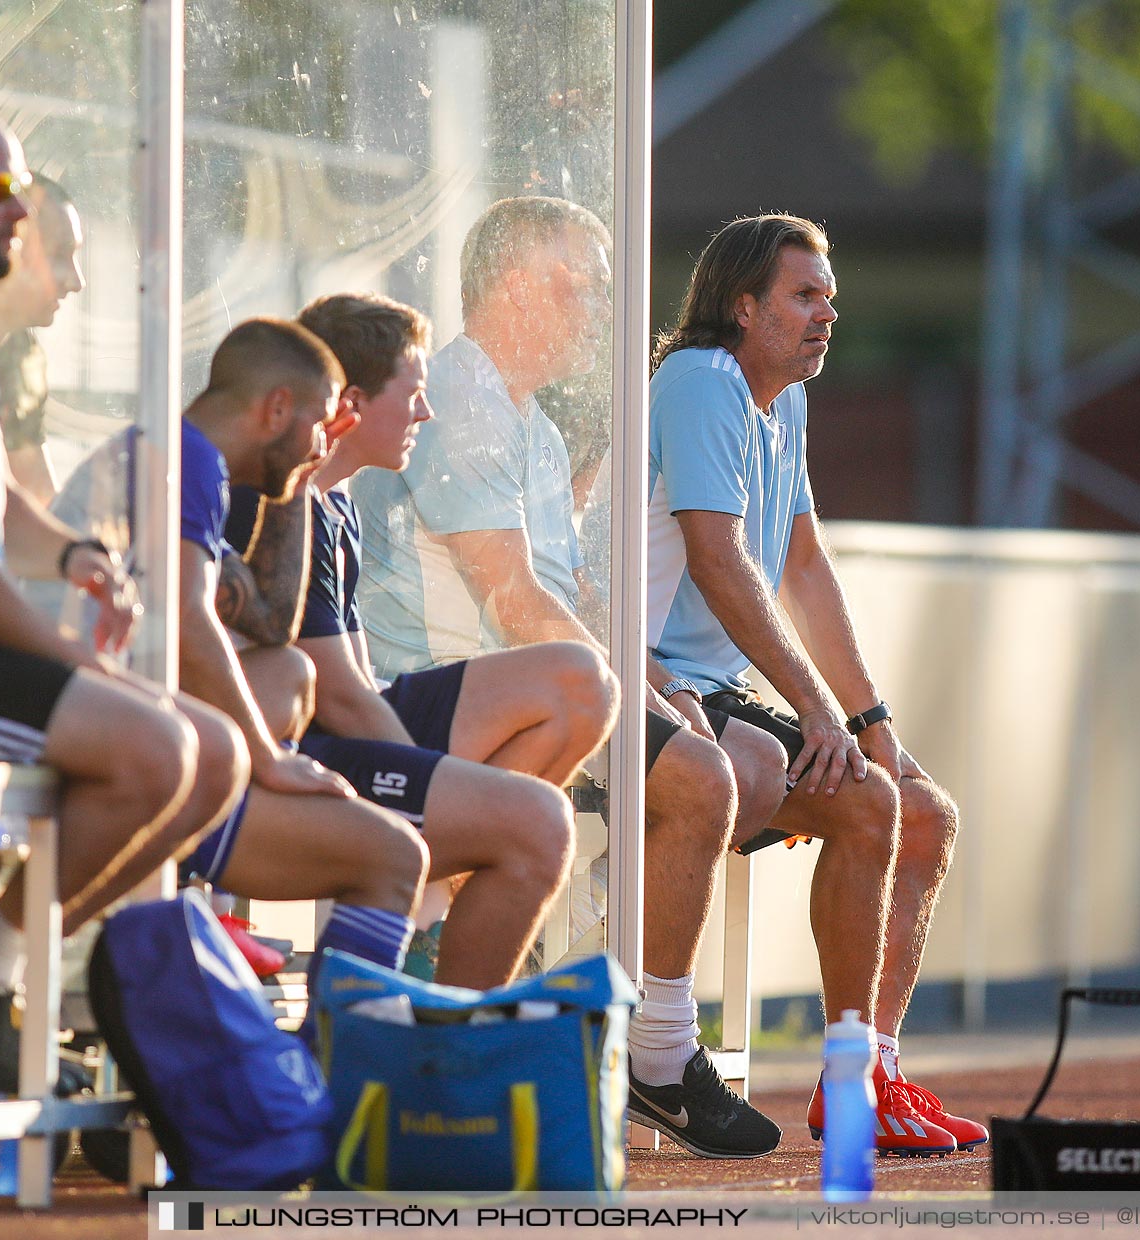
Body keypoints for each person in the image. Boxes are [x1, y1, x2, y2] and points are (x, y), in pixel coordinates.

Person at [353, 197, 785, 1159]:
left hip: (529, 690)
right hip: (441, 695)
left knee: (747, 765)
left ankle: (597, 978)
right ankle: (653, 1053)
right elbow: (512, 599)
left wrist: (663, 685)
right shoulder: (461, 397)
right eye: (580, 286)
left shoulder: (535, 427)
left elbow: (579, 603)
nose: (599, 311)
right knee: (702, 779)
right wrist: (633, 695)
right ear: (512, 288)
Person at [0, 110, 250, 1094]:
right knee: (162, 747)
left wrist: (73, 553)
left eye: (20, 188)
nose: (18, 210)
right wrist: (85, 665)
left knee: (215, 758)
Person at [646, 213, 977, 1156]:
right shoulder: (700, 379)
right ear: (741, 305)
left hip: (713, 690)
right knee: (836, 795)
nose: (827, 311)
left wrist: (869, 719)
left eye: (829, 294)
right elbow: (717, 560)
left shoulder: (782, 396)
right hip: (653, 683)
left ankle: (863, 1074)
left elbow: (802, 566)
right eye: (804, 294)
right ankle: (662, 1045)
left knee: (920, 812)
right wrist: (818, 711)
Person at [245, 290, 617, 990]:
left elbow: (351, 678)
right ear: (350, 402)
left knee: (581, 683)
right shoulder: (287, 496)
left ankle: (437, 911)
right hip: (299, 754)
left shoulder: (336, 498)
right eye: (412, 394)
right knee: (541, 823)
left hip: (352, 719)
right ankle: (442, 1021)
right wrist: (436, 786)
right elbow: (343, 699)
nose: (426, 411)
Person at [167, 318, 437, 1012]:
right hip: (135, 739)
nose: (327, 438)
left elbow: (270, 624)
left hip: (158, 723)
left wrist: (303, 479)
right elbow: (190, 622)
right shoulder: (188, 458)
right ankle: (343, 1071)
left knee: (288, 673)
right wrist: (267, 756)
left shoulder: (212, 468)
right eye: (321, 420)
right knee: (402, 853)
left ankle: (199, 901)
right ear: (277, 408)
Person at [0, 174, 86, 502]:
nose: (78, 282)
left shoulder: (21, 355)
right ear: (9, 242)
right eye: (59, 254)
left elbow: (38, 494)